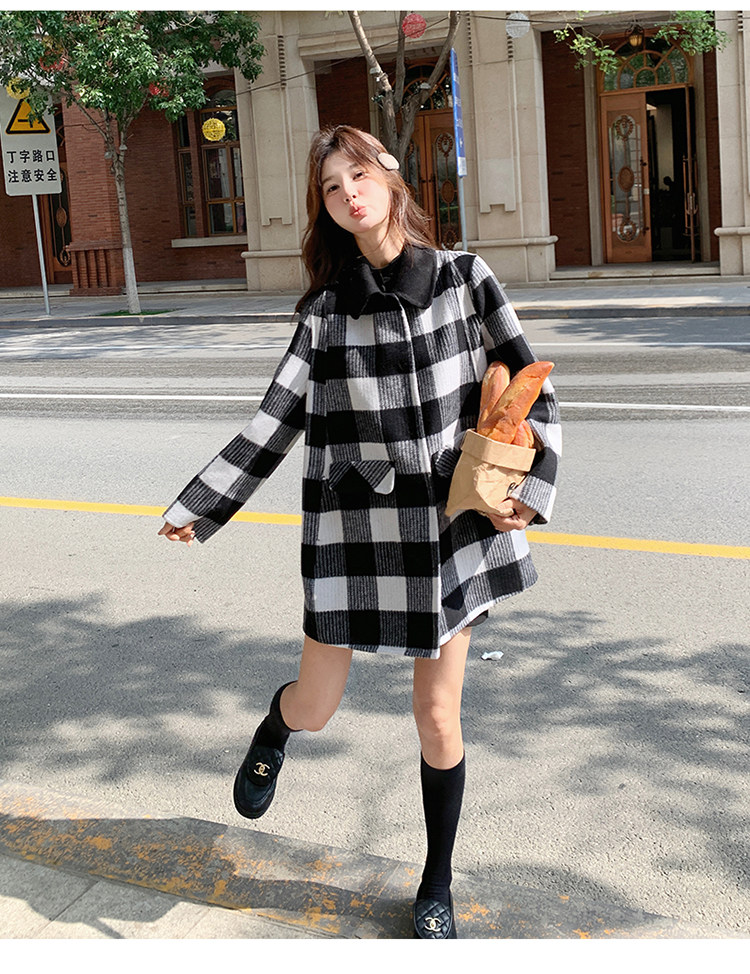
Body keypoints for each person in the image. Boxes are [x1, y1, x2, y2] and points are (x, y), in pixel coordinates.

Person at [159, 125, 561, 939]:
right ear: (327, 208)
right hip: (354, 532)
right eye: (331, 186)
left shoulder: (463, 279)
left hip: (451, 529)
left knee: (438, 719)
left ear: (390, 178)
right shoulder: (325, 313)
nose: (348, 192)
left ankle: (436, 882)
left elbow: (532, 385)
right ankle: (275, 731)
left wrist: (533, 488)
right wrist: (203, 504)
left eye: (358, 175)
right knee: (316, 706)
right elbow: (275, 420)